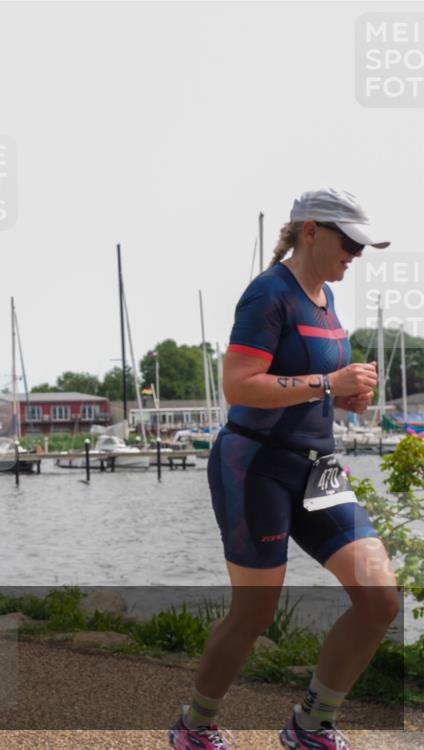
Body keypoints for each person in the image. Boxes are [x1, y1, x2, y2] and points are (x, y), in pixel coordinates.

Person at [168, 188, 400, 750]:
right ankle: (195, 726)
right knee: (254, 615)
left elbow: (302, 382)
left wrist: (342, 398)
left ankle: (310, 725)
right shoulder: (268, 294)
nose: (357, 255)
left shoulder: (325, 298)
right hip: (256, 466)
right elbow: (239, 386)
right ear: (312, 231)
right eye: (349, 242)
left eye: (363, 246)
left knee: (379, 599)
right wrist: (326, 384)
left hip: (318, 469)